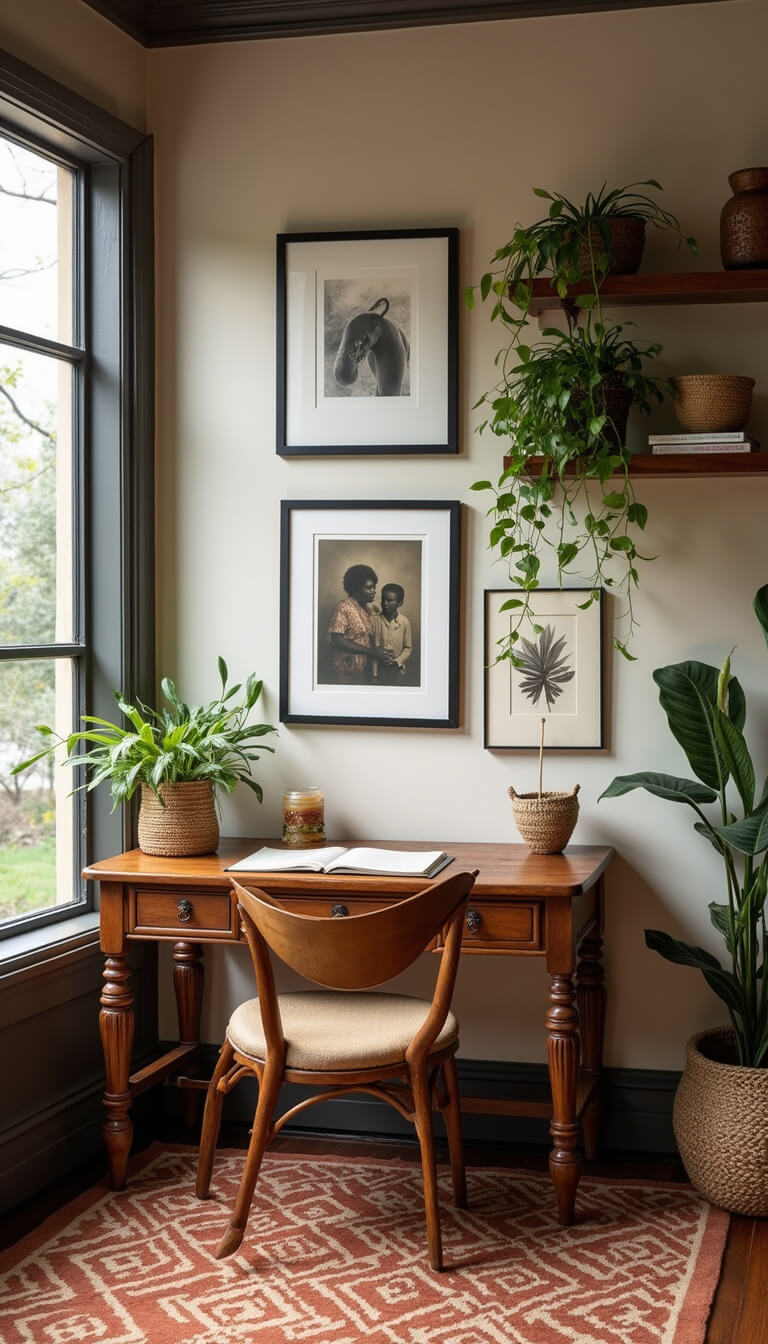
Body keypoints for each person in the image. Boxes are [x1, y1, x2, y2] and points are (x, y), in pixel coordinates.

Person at [327, 564, 384, 684]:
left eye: (374, 587)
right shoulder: (344, 607)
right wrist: (371, 651)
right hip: (346, 670)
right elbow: (336, 640)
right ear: (356, 588)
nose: (373, 591)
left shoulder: (368, 608)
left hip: (364, 670)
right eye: (369, 588)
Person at [372, 582, 413, 685]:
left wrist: (397, 662)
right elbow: (372, 647)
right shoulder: (374, 620)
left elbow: (408, 649)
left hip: (397, 670)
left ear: (400, 603)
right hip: (378, 669)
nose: (385, 603)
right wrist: (374, 674)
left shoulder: (404, 622)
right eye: (383, 599)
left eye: (390, 601)